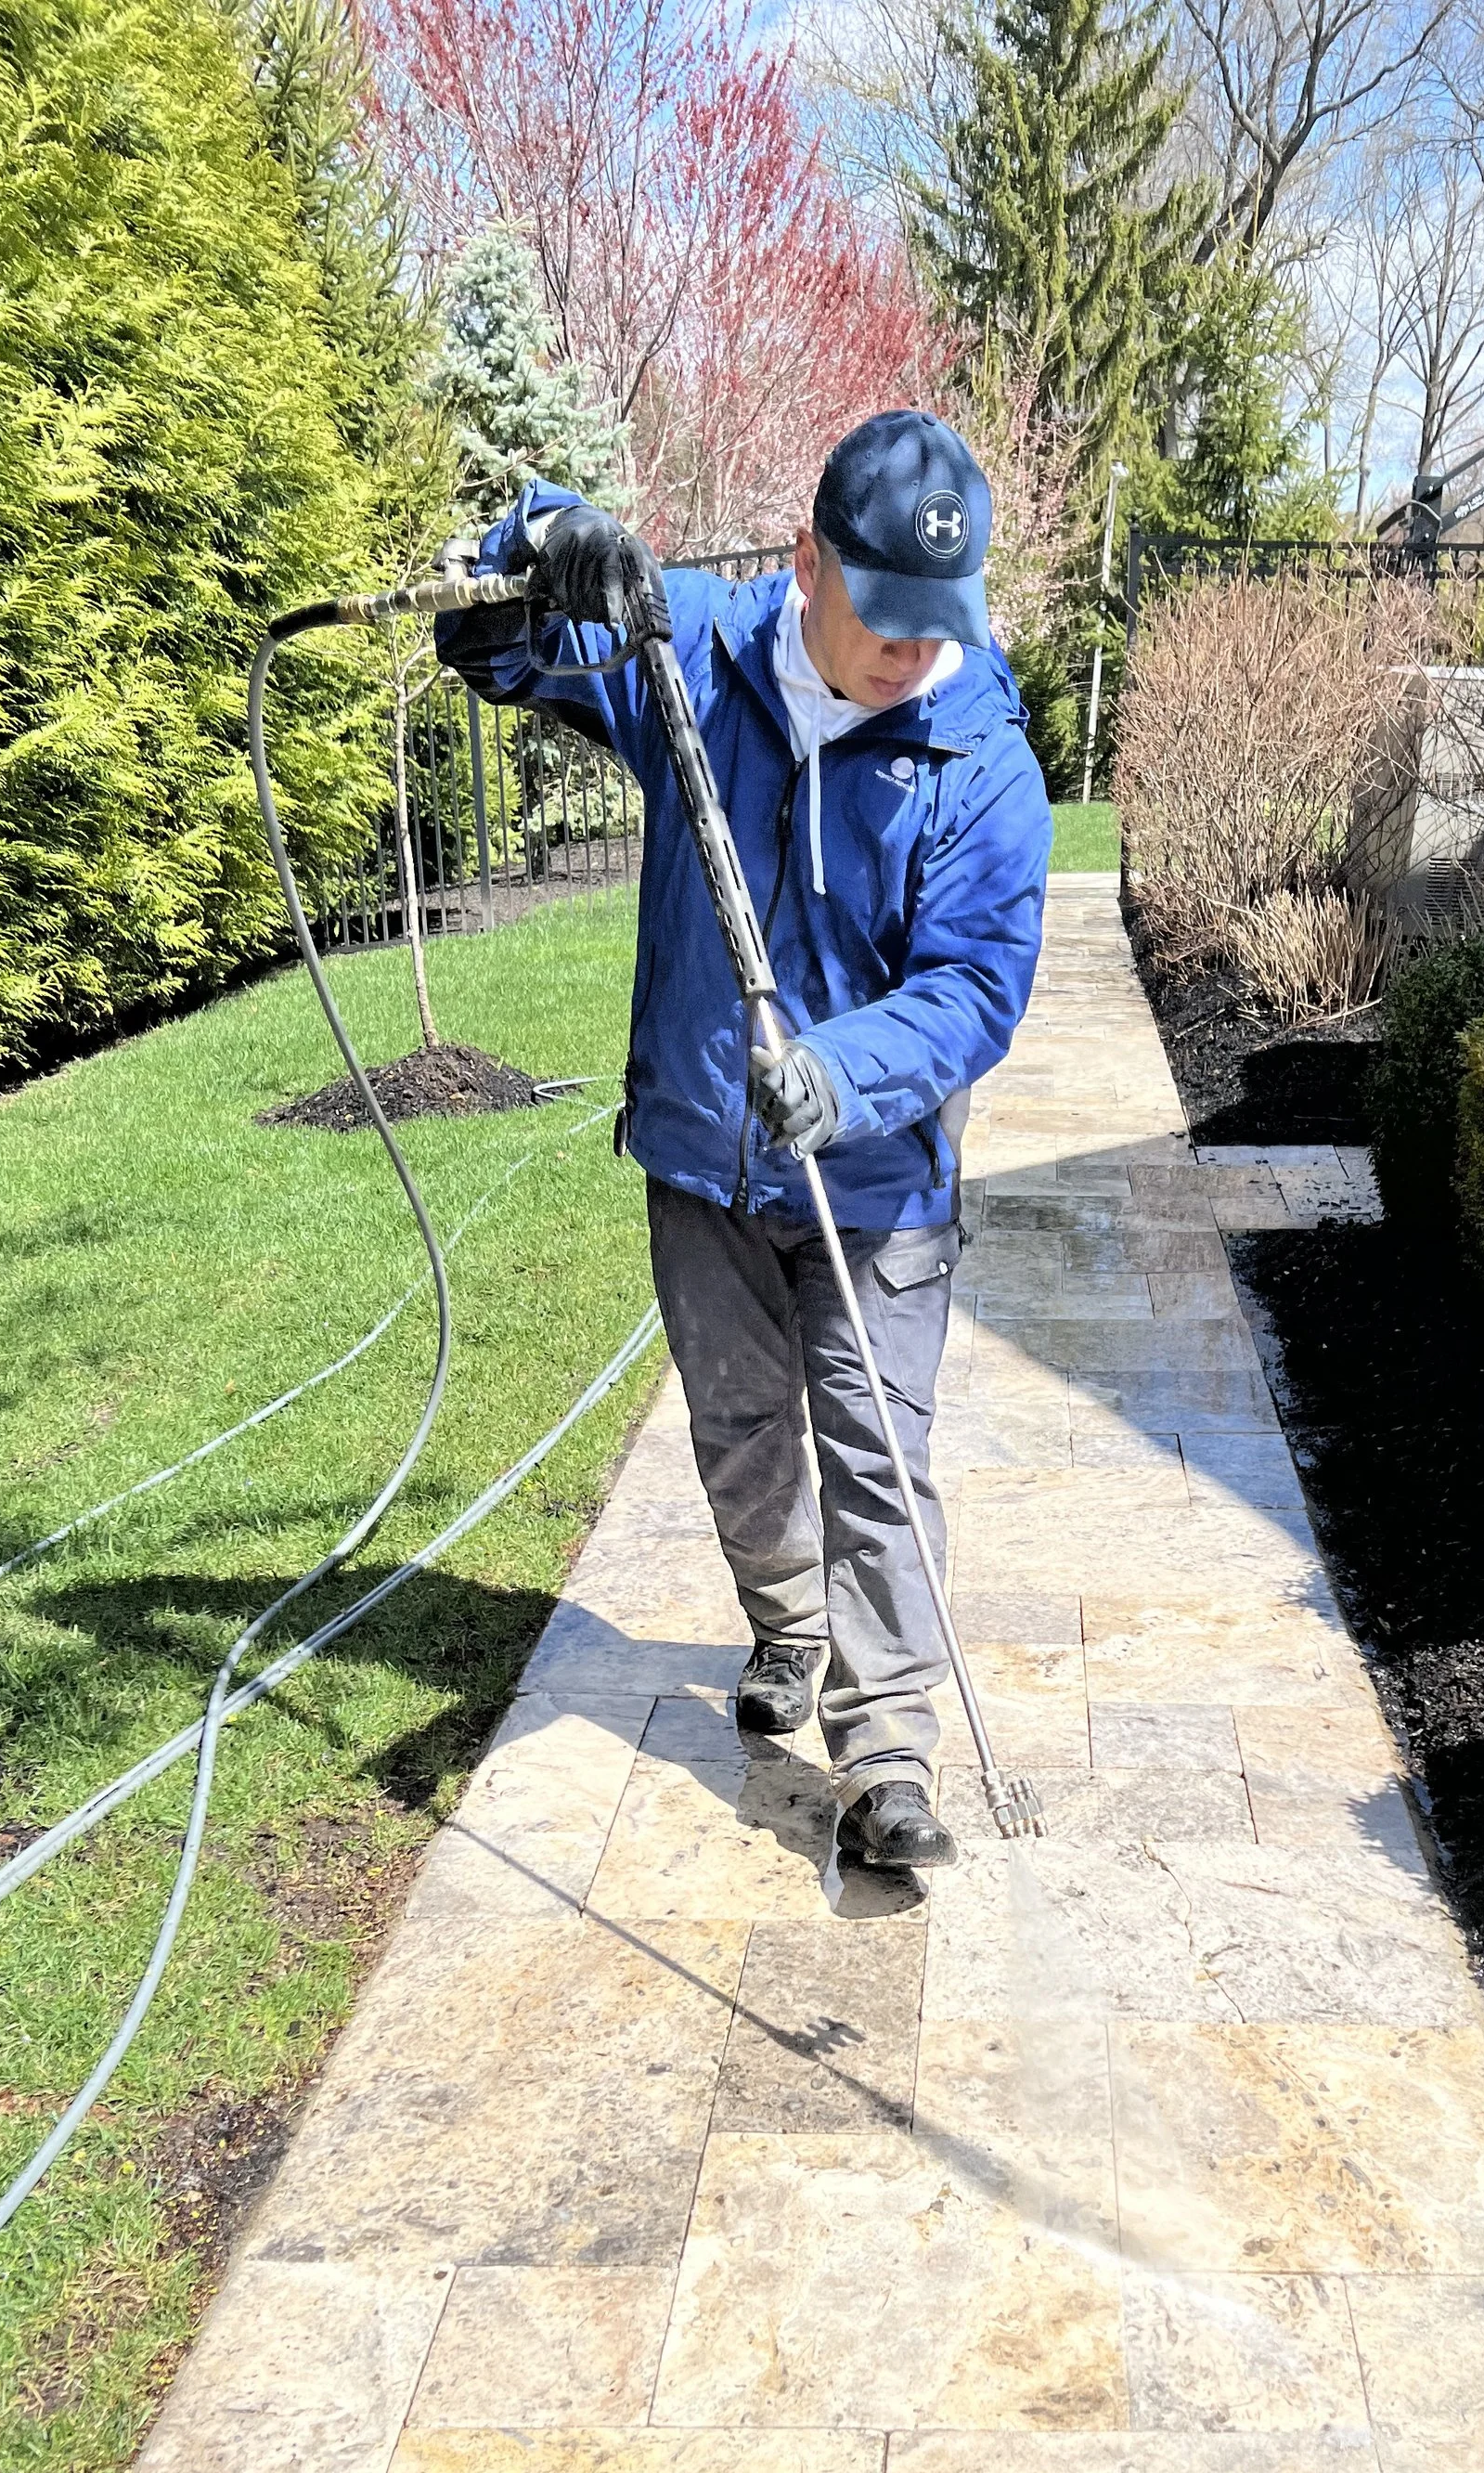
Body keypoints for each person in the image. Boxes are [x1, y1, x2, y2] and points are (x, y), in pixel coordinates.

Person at [438, 412, 1050, 1871]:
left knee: (880, 1455)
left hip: (878, 1187)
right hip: (702, 1158)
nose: (914, 652)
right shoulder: (688, 656)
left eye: (937, 625)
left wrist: (844, 1075)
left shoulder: (981, 763)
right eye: (886, 618)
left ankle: (888, 1739)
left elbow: (975, 988)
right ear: (806, 565)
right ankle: (788, 1628)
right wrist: (541, 547)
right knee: (742, 1436)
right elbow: (497, 648)